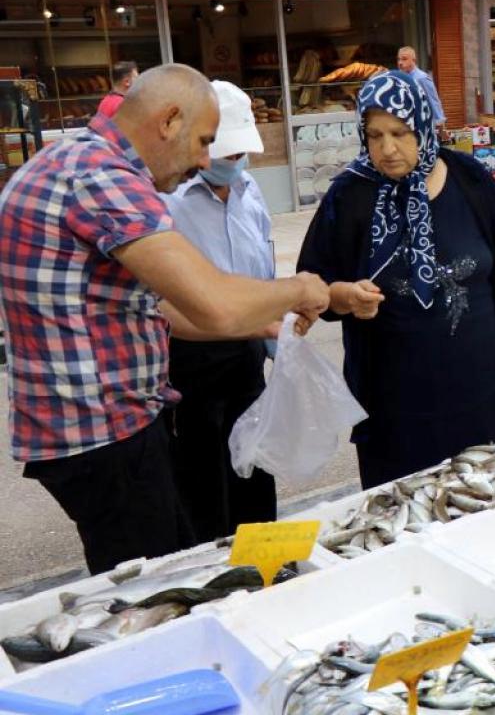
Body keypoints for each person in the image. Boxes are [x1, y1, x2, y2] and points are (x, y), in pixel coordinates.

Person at [0, 64, 330, 574]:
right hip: (102, 432)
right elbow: (212, 301)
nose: (203, 161)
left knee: (176, 561)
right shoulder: (104, 177)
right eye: (202, 142)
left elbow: (164, 308)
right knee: (150, 591)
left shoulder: (72, 159)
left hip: (93, 428)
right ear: (169, 120)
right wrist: (301, 288)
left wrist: (265, 318)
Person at [298, 70, 495, 490]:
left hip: (478, 386)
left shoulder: (469, 178)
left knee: (476, 498)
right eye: (375, 135)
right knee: (402, 505)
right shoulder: (350, 196)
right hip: (394, 401)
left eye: (400, 133)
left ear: (423, 126)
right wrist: (344, 296)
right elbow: (312, 285)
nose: (387, 149)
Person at [160, 81, 279, 541]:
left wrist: (275, 341)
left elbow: (264, 271)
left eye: (239, 154)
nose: (234, 163)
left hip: (248, 354)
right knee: (203, 486)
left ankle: (262, 568)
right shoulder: (169, 200)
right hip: (191, 363)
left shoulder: (250, 192)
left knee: (253, 473)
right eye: (225, 154)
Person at [397, 46, 446, 126]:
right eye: (399, 59)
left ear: (413, 60)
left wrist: (440, 125)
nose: (400, 63)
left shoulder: (421, 78)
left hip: (422, 125)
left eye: (404, 59)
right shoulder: (399, 78)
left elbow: (433, 101)